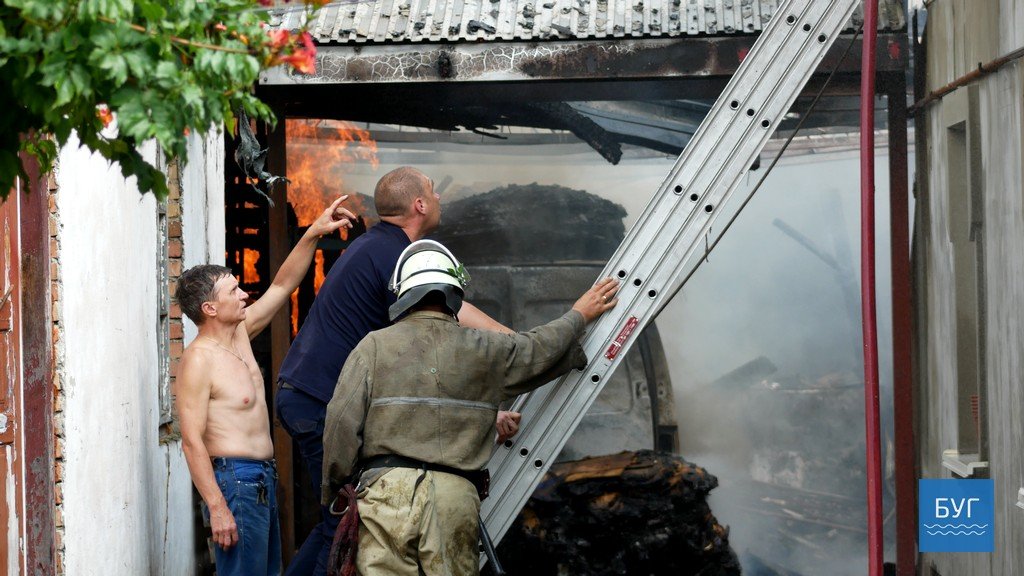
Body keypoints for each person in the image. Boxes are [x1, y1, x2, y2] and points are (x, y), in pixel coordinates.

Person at [321, 239, 620, 575]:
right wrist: (579, 315)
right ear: (455, 294)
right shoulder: (484, 348)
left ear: (403, 294)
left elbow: (340, 423)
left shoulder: (372, 347)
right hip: (454, 497)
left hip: (386, 493)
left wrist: (337, 486)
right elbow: (540, 350)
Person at [276, 167, 519, 575]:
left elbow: (416, 363)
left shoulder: (378, 247)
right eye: (433, 192)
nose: (439, 198)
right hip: (320, 400)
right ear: (419, 205)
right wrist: (517, 344)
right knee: (347, 525)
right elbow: (446, 326)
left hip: (306, 395)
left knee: (333, 522)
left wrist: (482, 411)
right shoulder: (395, 257)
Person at [175, 197, 355, 576]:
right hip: (235, 483)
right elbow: (191, 441)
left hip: (261, 480)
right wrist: (217, 507)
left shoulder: (240, 333)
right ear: (209, 309)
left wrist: (314, 232)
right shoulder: (198, 359)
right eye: (233, 291)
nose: (244, 294)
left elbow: (282, 285)